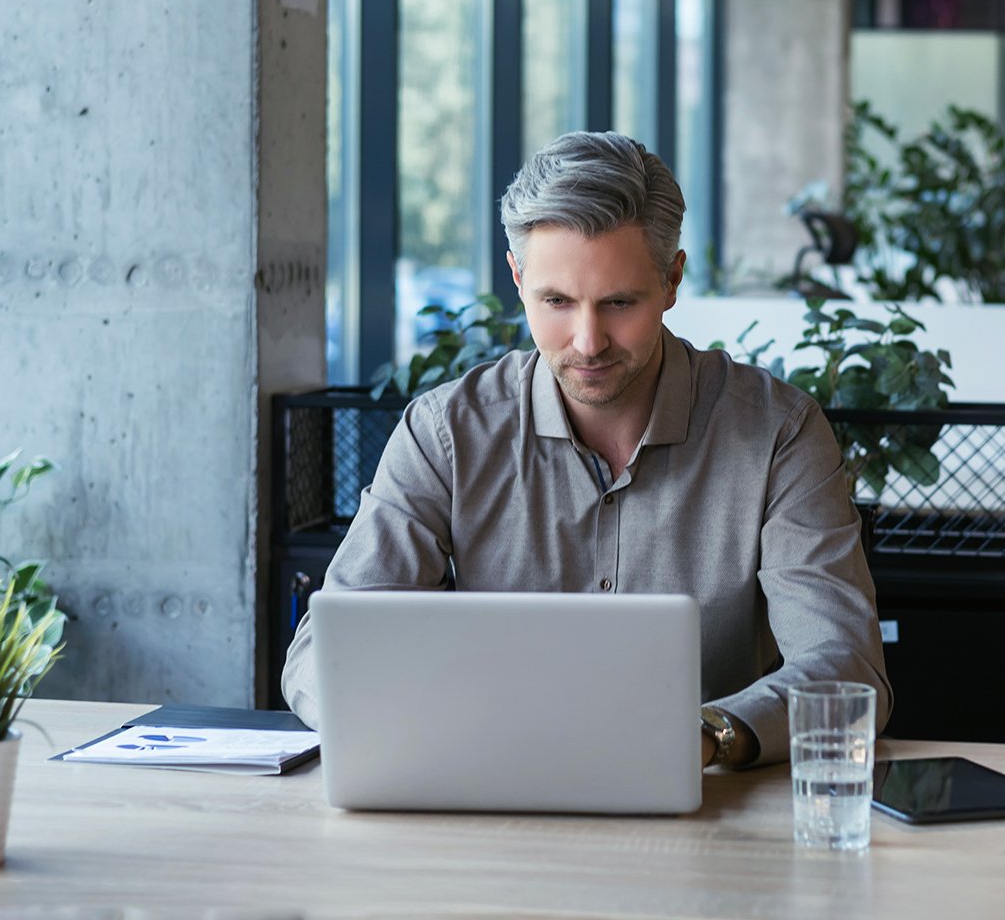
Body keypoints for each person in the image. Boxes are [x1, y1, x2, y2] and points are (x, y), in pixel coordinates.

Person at [282, 131, 890, 768]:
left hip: (710, 805)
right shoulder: (447, 433)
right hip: (486, 798)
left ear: (672, 280)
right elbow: (324, 651)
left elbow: (846, 670)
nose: (588, 340)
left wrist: (709, 736)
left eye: (619, 303)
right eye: (556, 302)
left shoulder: (778, 434)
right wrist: (427, 725)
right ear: (518, 280)